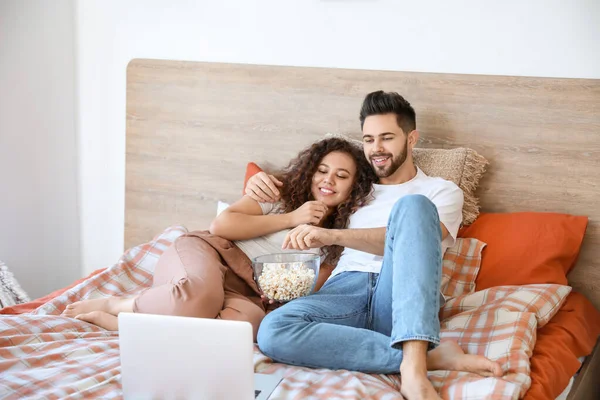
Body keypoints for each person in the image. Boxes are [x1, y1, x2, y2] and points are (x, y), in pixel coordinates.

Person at [246, 91, 503, 400]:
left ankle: (414, 372)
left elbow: (413, 242)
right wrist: (257, 184)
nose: (376, 149)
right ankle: (427, 358)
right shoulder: (354, 189)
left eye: (387, 138)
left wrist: (333, 236)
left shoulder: (440, 192)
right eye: (368, 140)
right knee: (273, 331)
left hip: (400, 296)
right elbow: (306, 186)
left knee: (413, 207)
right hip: (343, 291)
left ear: (411, 139)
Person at [62, 137, 377, 340]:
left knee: (245, 329)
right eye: (322, 170)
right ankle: (121, 306)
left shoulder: (337, 238)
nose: (328, 180)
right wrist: (292, 218)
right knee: (199, 297)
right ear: (310, 172)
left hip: (248, 291)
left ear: (354, 187)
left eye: (341, 175)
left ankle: (137, 327)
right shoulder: (278, 191)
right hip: (210, 252)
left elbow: (308, 289)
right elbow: (221, 225)